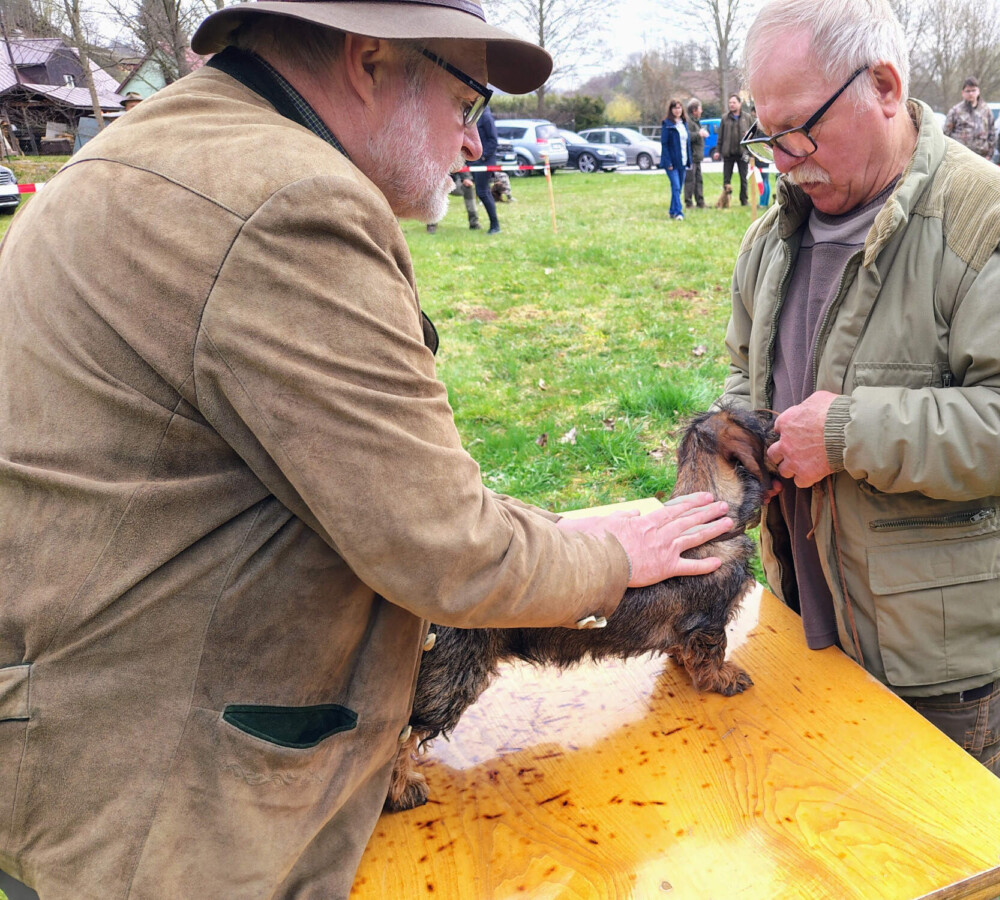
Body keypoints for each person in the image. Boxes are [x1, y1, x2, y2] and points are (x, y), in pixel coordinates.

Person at [0, 0, 736, 896]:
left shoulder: (141, 151)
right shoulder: (290, 202)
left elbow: (348, 480)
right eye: (467, 104)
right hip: (178, 816)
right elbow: (444, 547)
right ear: (371, 59)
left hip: (80, 748)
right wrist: (616, 557)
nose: (473, 144)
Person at [724, 0, 1000, 780]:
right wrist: (739, 435)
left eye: (798, 129)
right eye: (768, 136)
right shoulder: (772, 237)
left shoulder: (996, 227)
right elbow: (746, 368)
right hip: (799, 622)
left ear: (885, 87)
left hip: (930, 670)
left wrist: (846, 434)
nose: (783, 159)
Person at [942, 76, 995, 158]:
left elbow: (992, 134)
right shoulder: (955, 111)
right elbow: (946, 135)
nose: (971, 93)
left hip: (982, 158)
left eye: (973, 90)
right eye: (968, 91)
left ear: (978, 91)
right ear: (963, 93)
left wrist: (989, 154)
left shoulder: (986, 111)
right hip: (961, 157)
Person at [715, 93, 751, 205]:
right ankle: (725, 201)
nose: (731, 105)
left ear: (740, 104)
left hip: (743, 153)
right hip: (728, 153)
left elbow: (752, 136)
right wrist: (717, 151)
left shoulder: (747, 118)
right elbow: (720, 136)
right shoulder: (724, 118)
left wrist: (751, 152)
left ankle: (744, 200)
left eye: (734, 102)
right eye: (730, 103)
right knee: (726, 179)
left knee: (743, 178)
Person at [471, 105, 501, 233]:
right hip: (477, 162)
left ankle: (495, 226)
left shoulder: (486, 116)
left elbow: (493, 141)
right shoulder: (476, 115)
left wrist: (482, 157)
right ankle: (494, 225)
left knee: (483, 192)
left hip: (485, 161)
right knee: (483, 192)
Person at [660, 98, 691, 220]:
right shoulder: (667, 125)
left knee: (679, 188)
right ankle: (678, 212)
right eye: (675, 108)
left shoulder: (684, 124)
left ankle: (672, 211)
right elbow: (664, 144)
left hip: (682, 161)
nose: (677, 110)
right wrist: (668, 162)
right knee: (676, 186)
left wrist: (689, 160)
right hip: (672, 162)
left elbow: (687, 143)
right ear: (671, 110)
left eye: (679, 108)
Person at [684, 97, 707, 209]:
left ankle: (700, 202)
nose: (701, 111)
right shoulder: (688, 122)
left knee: (699, 180)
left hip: (697, 157)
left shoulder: (696, 122)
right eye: (700, 109)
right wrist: (699, 134)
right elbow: (686, 136)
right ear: (694, 110)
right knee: (690, 181)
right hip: (691, 157)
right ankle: (689, 203)